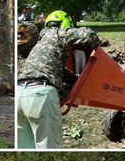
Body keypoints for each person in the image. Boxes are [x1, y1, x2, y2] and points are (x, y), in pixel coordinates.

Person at [17, 10, 102, 148]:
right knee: (49, 152)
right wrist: (99, 40)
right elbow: (88, 34)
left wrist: (76, 80)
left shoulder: (42, 42)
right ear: (65, 24)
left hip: (20, 95)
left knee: (26, 150)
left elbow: (58, 70)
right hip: (40, 95)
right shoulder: (60, 33)